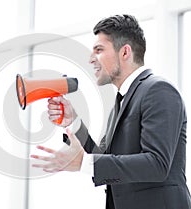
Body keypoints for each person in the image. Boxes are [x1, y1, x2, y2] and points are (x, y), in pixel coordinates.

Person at [31, 14, 191, 209]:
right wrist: (73, 121)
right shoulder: (121, 101)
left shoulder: (158, 90)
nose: (91, 59)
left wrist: (85, 162)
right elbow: (106, 156)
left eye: (99, 50)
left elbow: (157, 164)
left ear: (125, 52)